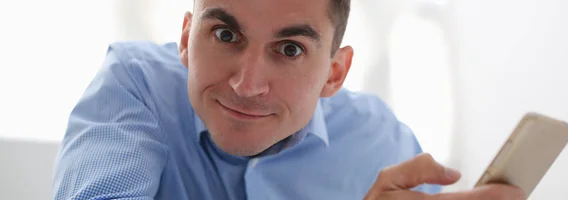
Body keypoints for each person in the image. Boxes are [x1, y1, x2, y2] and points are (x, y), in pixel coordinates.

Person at [52, 0, 525, 199]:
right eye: (225, 33)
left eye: (290, 49)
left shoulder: (383, 142)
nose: (247, 84)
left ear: (334, 72)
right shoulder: (135, 86)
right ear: (185, 37)